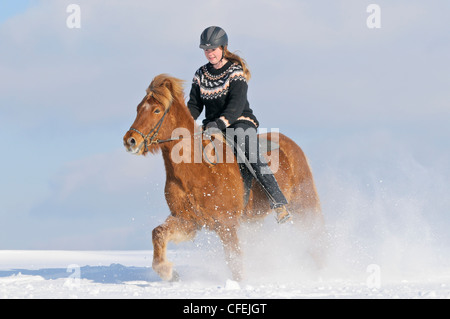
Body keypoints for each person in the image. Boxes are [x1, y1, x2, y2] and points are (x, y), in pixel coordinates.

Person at [187, 26, 291, 224]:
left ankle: (278, 202)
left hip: (239, 122)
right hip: (211, 127)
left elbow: (236, 105)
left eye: (213, 49)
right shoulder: (200, 74)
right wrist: (183, 121)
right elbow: (194, 105)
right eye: (206, 50)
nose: (210, 53)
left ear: (223, 48)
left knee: (249, 153)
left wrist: (220, 123)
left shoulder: (235, 72)